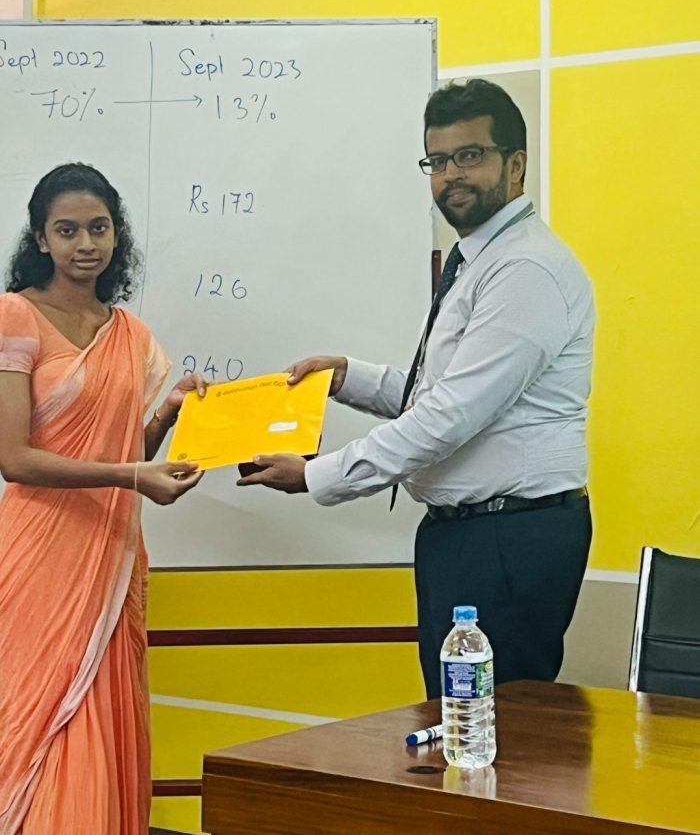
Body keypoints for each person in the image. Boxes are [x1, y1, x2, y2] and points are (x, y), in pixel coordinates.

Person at [238, 79, 595, 698]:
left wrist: (318, 475)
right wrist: (347, 377)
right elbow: (441, 392)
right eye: (438, 160)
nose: (451, 175)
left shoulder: (525, 270)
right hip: (469, 534)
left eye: (470, 156)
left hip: (506, 538)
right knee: (458, 718)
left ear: (516, 164)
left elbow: (450, 416)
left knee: (492, 727)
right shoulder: (480, 259)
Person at [0, 163, 205, 835]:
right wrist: (132, 475)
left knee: (103, 714)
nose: (85, 244)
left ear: (118, 235)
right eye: (67, 231)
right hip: (39, 557)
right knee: (37, 722)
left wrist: (166, 415)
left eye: (99, 227)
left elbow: (124, 452)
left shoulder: (131, 334)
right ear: (40, 238)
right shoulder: (15, 315)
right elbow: (15, 459)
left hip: (114, 554)